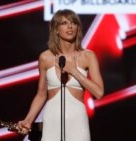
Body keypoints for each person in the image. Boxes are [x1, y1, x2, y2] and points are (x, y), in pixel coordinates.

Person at [17, 9, 104, 141]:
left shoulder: (88, 56)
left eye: (73, 23)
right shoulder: (45, 57)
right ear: (56, 29)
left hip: (77, 120)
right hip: (52, 119)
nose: (70, 26)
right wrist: (28, 120)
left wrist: (74, 71)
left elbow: (99, 93)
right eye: (64, 23)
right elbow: (41, 94)